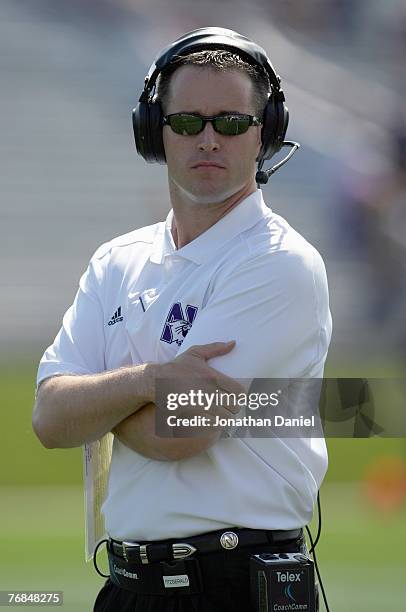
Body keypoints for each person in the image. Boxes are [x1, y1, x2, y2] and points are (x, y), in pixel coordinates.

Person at [33, 27, 332, 612]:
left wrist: (97, 403)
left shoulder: (280, 263)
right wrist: (147, 383)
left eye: (232, 122)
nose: (210, 139)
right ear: (156, 132)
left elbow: (182, 432)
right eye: (189, 122)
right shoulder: (115, 260)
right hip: (126, 587)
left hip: (235, 584)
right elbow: (49, 419)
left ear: (264, 133)